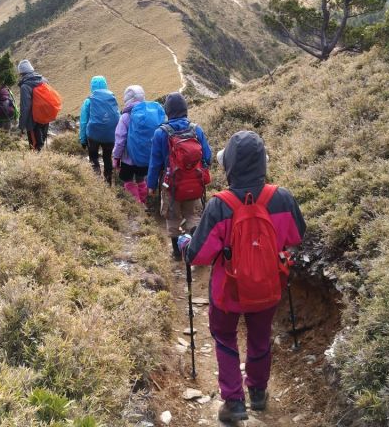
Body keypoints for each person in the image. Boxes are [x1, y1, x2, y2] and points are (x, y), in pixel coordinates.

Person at [178, 131, 305, 423]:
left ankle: (234, 401)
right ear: (263, 162)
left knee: (224, 338)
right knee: (260, 338)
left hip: (227, 292)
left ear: (230, 165)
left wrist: (185, 244)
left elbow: (198, 255)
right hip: (268, 286)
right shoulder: (282, 198)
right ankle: (258, 393)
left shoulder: (219, 205)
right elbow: (297, 235)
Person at [147, 92, 211, 259]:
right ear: (185, 109)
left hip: (171, 185)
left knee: (173, 217)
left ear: (168, 111)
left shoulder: (160, 133)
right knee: (193, 215)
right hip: (195, 183)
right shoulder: (196, 129)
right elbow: (207, 157)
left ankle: (177, 253)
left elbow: (154, 163)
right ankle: (196, 249)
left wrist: (151, 186)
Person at [112, 85, 164, 204]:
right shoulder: (149, 115)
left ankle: (137, 205)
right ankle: (144, 202)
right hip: (144, 158)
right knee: (141, 179)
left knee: (128, 181)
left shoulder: (125, 116)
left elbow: (120, 140)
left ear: (127, 99)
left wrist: (116, 157)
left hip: (128, 160)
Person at [79, 76, 120, 184]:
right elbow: (117, 116)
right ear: (105, 84)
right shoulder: (112, 98)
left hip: (93, 135)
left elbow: (83, 122)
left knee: (93, 157)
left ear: (92, 86)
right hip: (110, 135)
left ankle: (96, 181)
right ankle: (108, 182)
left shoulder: (89, 100)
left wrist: (83, 139)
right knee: (107, 157)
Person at [18, 59, 50, 151]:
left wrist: (21, 126)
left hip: (33, 122)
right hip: (45, 118)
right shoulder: (44, 80)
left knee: (35, 147)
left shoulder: (25, 86)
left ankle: (37, 164)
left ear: (21, 73)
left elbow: (25, 107)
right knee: (41, 145)